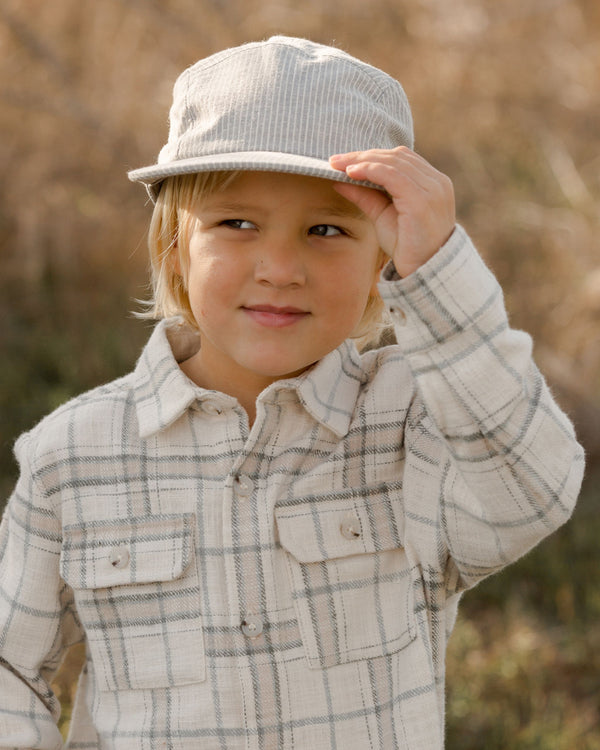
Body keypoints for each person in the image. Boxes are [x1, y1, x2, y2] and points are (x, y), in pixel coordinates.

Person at [0, 36, 584, 749]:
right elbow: (10, 665)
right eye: (236, 224)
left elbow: (533, 494)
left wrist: (441, 274)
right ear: (174, 247)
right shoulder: (72, 454)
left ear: (383, 261)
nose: (279, 267)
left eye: (327, 229)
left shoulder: (417, 417)